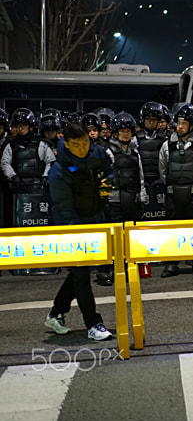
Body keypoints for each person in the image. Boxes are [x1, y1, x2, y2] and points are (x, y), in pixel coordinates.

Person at [44, 121, 114, 341]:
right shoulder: (59, 170)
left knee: (78, 274)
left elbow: (110, 173)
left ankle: (56, 313)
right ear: (66, 142)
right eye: (76, 144)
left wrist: (107, 186)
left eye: (85, 142)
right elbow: (63, 208)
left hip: (94, 217)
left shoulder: (98, 152)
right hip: (70, 225)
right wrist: (77, 234)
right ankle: (93, 324)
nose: (82, 148)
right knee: (81, 273)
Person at [158, 104, 193, 277]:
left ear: (192, 125)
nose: (180, 126)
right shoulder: (167, 145)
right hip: (172, 192)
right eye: (178, 123)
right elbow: (162, 168)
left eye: (184, 123)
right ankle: (171, 264)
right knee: (172, 230)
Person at [97, 112, 148, 286]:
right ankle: (105, 271)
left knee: (129, 237)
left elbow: (140, 177)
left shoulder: (135, 153)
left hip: (131, 198)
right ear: (115, 132)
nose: (126, 134)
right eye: (122, 131)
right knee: (111, 238)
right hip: (113, 200)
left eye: (128, 131)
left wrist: (142, 196)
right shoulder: (108, 152)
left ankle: (129, 268)